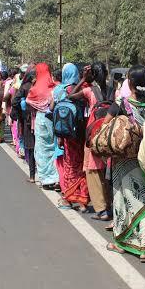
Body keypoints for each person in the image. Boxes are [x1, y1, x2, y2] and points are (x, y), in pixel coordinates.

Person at [104, 65, 145, 262]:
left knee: (122, 199)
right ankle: (144, 247)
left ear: (130, 82)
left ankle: (120, 242)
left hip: (124, 160)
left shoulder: (122, 103)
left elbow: (105, 124)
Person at [53, 63, 89, 210]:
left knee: (70, 165)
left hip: (69, 133)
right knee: (82, 164)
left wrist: (60, 136)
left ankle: (68, 198)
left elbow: (58, 111)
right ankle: (83, 200)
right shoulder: (85, 88)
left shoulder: (62, 90)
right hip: (83, 131)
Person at [26, 63, 59, 190]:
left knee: (42, 149)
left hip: (40, 119)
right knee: (54, 146)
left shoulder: (34, 89)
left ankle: (45, 179)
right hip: (53, 119)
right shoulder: (54, 87)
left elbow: (28, 102)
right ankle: (56, 177)